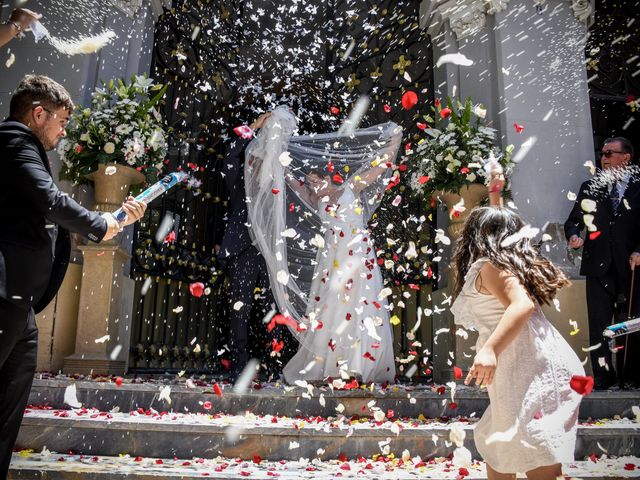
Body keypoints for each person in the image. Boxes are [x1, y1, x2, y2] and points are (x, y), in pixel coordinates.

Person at [0, 75, 146, 478]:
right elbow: (49, 199)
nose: (63, 131)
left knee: (8, 410)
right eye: (61, 121)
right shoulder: (13, 139)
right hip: (2, 292)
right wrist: (100, 224)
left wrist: (110, 221)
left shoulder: (23, 145)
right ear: (38, 112)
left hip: (20, 302)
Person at [244, 106, 401, 384]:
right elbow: (285, 176)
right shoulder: (315, 199)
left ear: (329, 178)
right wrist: (269, 152)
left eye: (317, 181)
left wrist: (394, 140)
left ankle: (360, 365)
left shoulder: (350, 189)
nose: (313, 185)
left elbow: (381, 166)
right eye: (311, 181)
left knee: (361, 306)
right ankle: (333, 365)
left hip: (356, 253)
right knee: (333, 308)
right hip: (332, 257)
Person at [450, 176, 585, 480]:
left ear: (477, 236)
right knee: (504, 440)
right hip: (532, 359)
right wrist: (495, 196)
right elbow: (501, 226)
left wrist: (489, 349)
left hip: (528, 362)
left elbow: (521, 305)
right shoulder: (504, 261)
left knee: (530, 440)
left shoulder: (491, 265)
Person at [217, 111, 290, 381]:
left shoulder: (279, 185)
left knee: (273, 311)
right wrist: (254, 126)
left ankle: (274, 365)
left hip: (271, 252)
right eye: (256, 158)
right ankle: (239, 365)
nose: (259, 163)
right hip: (242, 249)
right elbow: (229, 156)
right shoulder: (239, 182)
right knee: (240, 308)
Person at [564, 136, 640, 390]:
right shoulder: (590, 186)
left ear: (626, 157)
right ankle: (604, 377)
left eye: (609, 153)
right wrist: (574, 235)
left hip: (632, 266)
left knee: (632, 322)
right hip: (598, 264)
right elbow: (574, 219)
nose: (604, 158)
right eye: (603, 154)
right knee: (599, 324)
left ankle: (631, 377)